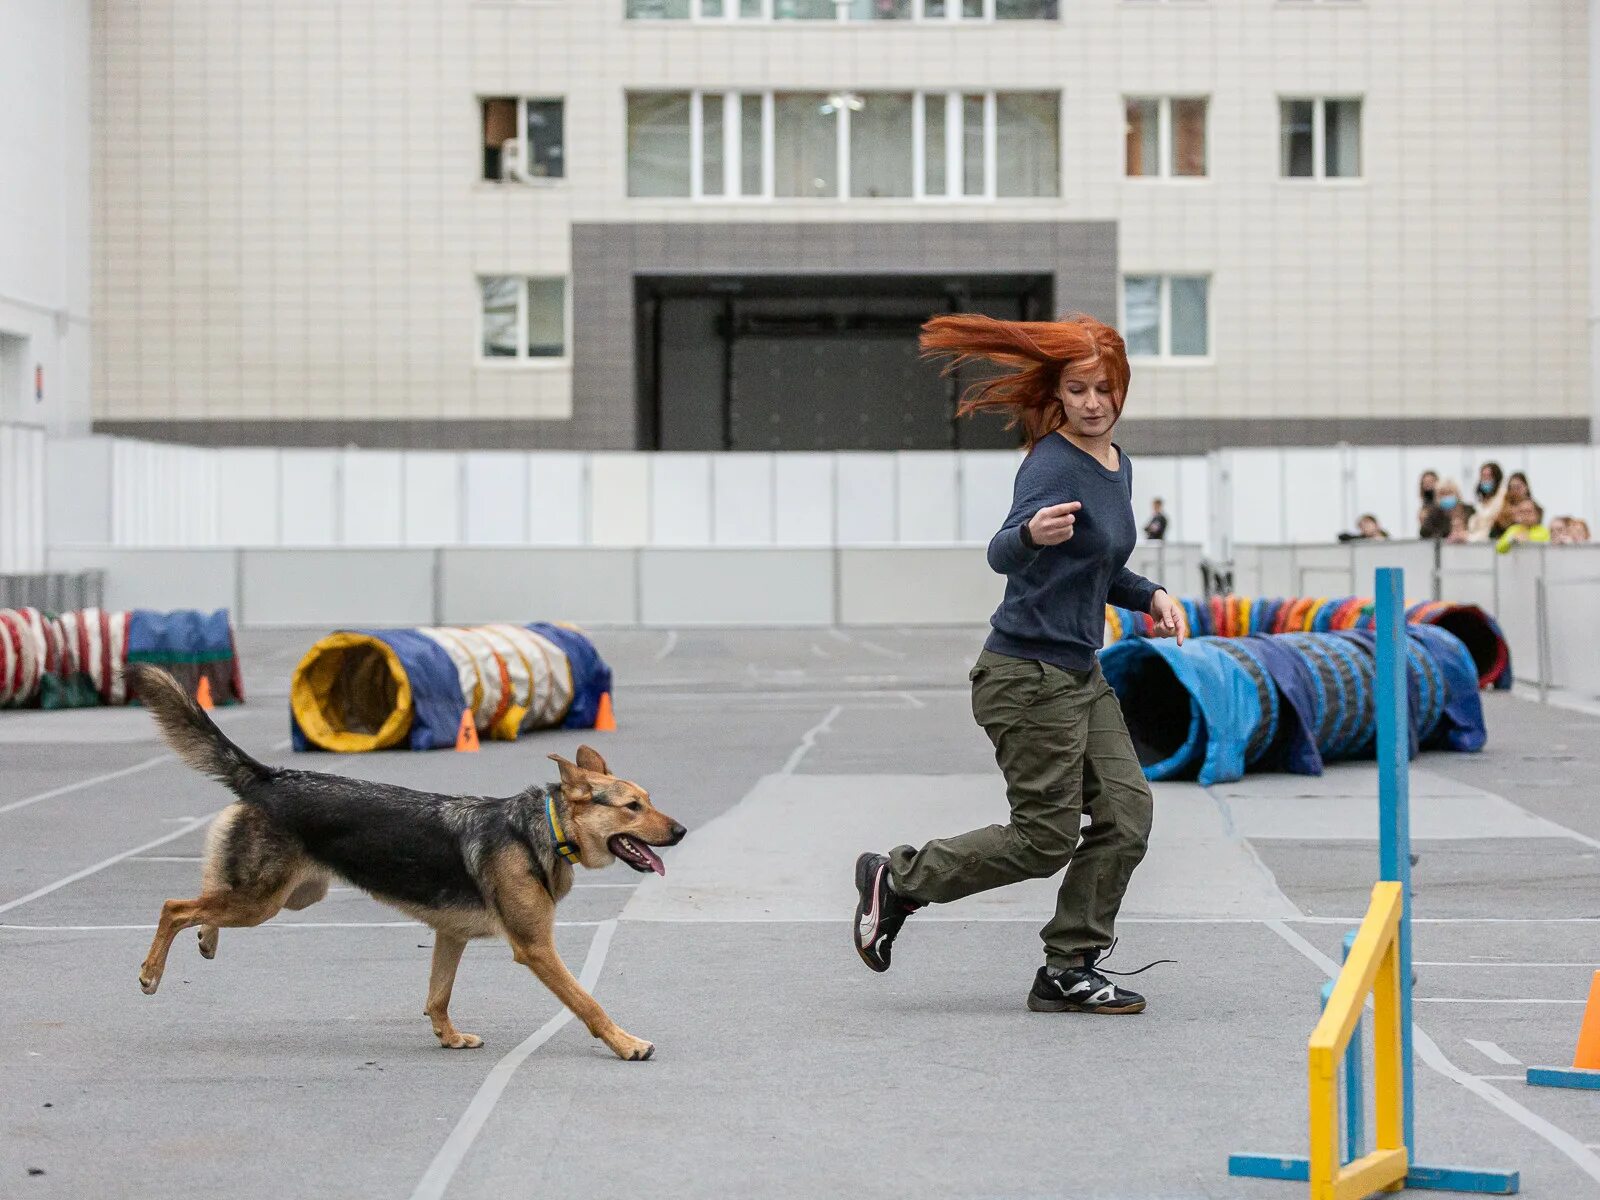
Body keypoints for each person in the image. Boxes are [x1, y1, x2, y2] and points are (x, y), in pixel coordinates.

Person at [851, 311, 1184, 1015]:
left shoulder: (1117, 466)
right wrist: (1030, 531)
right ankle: (900, 879)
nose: (1093, 403)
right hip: (1025, 678)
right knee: (1045, 840)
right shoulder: (1052, 461)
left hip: (1079, 676)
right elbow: (1004, 551)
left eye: (1104, 389)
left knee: (1127, 815)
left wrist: (1148, 592)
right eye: (1078, 390)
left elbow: (1097, 569)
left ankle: (1069, 966)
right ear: (1058, 394)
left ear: (1122, 389)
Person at [1466, 461, 1507, 541]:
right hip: (1477, 540)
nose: (1485, 479)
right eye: (1483, 476)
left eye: (1489, 476)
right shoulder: (1480, 501)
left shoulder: (1503, 497)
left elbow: (1492, 523)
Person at [1416, 471, 1440, 537]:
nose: (1428, 485)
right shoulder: (1425, 504)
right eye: (1425, 483)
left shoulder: (1442, 503)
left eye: (1431, 482)